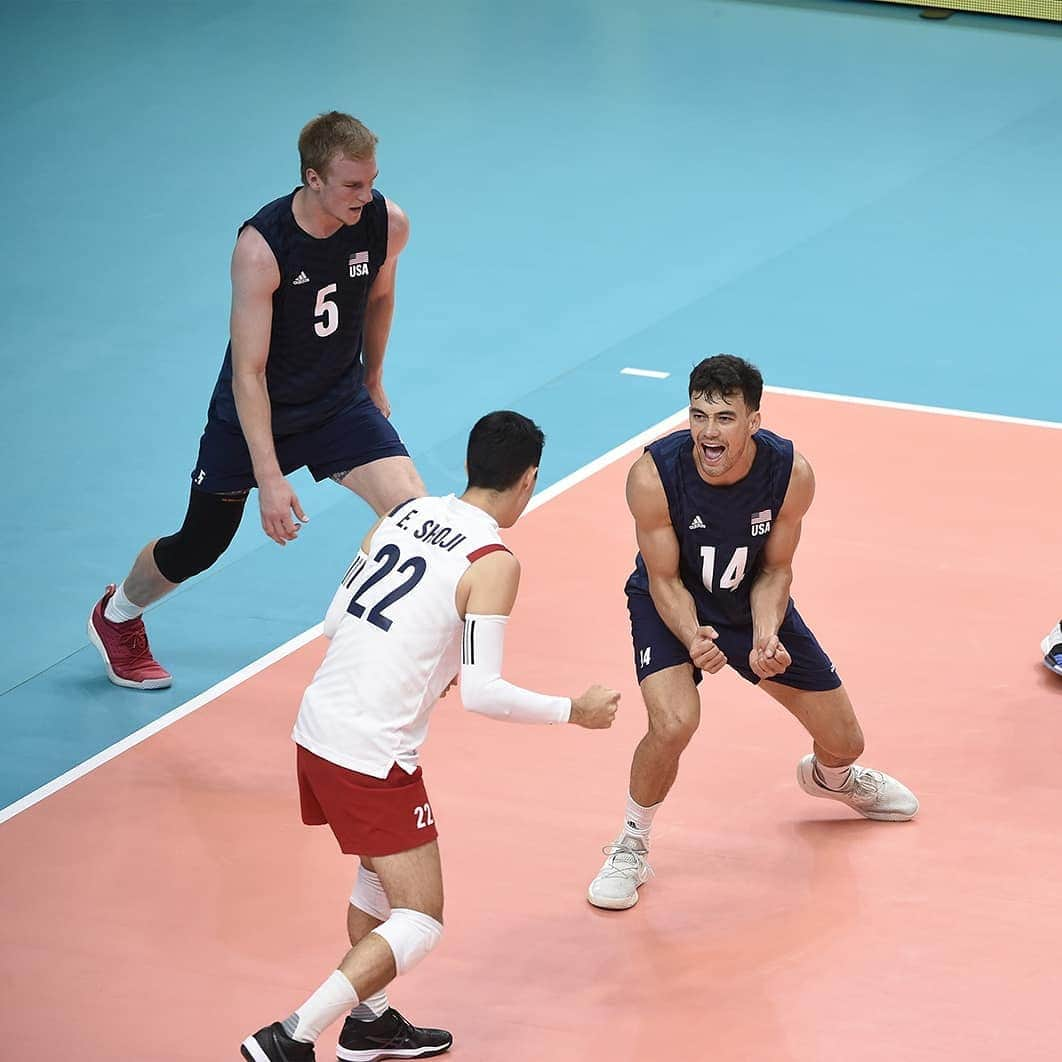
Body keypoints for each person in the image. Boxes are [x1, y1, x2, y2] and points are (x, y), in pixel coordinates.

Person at [240, 411, 620, 1062]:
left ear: (471, 465)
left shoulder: (402, 515)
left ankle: (371, 1023)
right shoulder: (491, 560)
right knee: (419, 917)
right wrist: (575, 711)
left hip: (317, 729)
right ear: (528, 480)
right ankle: (292, 1034)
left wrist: (428, 654)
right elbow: (484, 692)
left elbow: (336, 620)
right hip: (372, 752)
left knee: (375, 886)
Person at [88, 111, 425, 689]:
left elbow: (380, 298)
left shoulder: (385, 222)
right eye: (352, 186)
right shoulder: (261, 248)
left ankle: (401, 650)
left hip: (338, 402)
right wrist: (268, 477)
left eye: (370, 182)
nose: (365, 197)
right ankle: (117, 615)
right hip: (256, 412)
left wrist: (373, 380)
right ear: (313, 179)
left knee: (414, 515)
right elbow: (249, 371)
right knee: (200, 545)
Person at [586, 354, 919, 912]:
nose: (707, 433)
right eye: (698, 416)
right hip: (673, 607)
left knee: (846, 742)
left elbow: (775, 569)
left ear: (753, 422)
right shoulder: (654, 474)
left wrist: (766, 634)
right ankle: (630, 844)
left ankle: (832, 780)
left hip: (749, 601)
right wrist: (693, 636)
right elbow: (663, 578)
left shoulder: (790, 473)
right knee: (673, 723)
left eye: (723, 419)